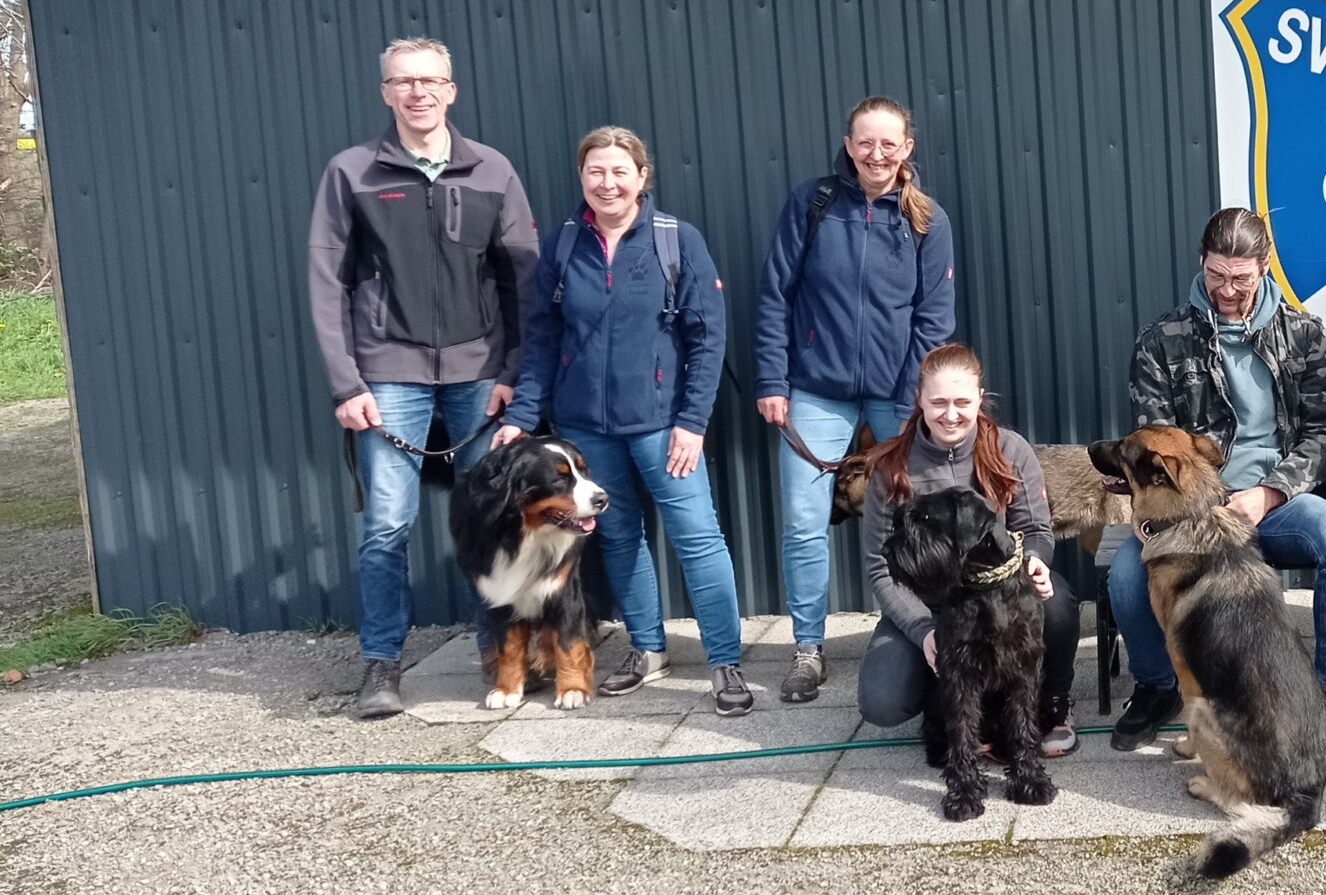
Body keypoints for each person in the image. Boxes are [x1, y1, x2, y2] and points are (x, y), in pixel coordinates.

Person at [307, 37, 538, 720]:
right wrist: (347, 384)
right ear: (386, 92)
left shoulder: (492, 169)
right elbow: (326, 282)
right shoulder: (351, 172)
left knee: (494, 517)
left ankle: (498, 654)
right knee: (387, 524)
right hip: (387, 373)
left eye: (430, 80)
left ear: (450, 90)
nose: (418, 92)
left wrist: (513, 372)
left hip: (479, 373)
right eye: (404, 81)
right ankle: (381, 664)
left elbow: (523, 280)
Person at [492, 127, 751, 717]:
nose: (607, 183)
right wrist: (522, 416)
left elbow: (707, 339)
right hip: (586, 432)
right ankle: (647, 648)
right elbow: (542, 340)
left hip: (664, 426)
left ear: (641, 177)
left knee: (698, 538)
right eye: (595, 172)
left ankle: (724, 661)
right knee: (617, 536)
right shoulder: (562, 245)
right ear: (582, 177)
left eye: (619, 172)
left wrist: (692, 421)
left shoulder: (675, 240)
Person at [1111, 208, 1326, 757]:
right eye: (1216, 275)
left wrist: (1269, 492)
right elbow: (1152, 444)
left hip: (1277, 500)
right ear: (1201, 262)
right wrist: (1156, 512)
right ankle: (1157, 687)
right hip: (1192, 511)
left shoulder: (1302, 334)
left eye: (1240, 278)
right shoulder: (1162, 340)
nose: (1227, 290)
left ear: (1264, 266)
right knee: (1124, 578)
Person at [754, 96, 957, 703]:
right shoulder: (812, 203)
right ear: (848, 145)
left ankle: (924, 632)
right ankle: (808, 649)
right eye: (865, 142)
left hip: (897, 395)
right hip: (815, 390)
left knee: (918, 516)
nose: (876, 154)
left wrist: (914, 394)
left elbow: (934, 316)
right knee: (803, 523)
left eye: (888, 143)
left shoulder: (928, 220)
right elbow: (774, 295)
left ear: (907, 148)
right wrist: (772, 380)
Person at [854, 344, 1081, 756]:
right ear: (919, 400)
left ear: (980, 398)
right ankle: (951, 709)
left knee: (1058, 604)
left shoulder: (1011, 450)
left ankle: (1053, 704)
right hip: (929, 603)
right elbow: (879, 566)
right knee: (882, 701)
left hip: (999, 593)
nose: (950, 414)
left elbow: (1035, 528)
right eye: (938, 402)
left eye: (961, 402)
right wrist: (923, 631)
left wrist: (1036, 560)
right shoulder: (891, 467)